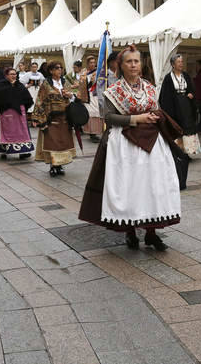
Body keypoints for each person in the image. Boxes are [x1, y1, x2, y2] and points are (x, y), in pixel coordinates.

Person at [78, 45, 185, 251]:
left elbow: (157, 108)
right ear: (121, 64)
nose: (134, 65)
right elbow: (108, 117)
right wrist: (137, 118)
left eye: (136, 61)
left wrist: (156, 115)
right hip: (125, 144)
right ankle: (130, 232)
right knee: (129, 187)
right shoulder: (113, 91)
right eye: (129, 61)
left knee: (152, 186)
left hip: (152, 143)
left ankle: (152, 232)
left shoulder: (149, 87)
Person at [33, 61, 85, 177]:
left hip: (65, 117)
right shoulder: (46, 84)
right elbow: (39, 101)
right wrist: (39, 118)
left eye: (61, 68)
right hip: (51, 118)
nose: (60, 70)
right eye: (57, 68)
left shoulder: (65, 82)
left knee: (62, 142)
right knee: (53, 142)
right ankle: (53, 165)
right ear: (51, 71)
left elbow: (76, 98)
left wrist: (70, 95)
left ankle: (60, 165)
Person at [159, 53, 201, 158]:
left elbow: (191, 89)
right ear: (173, 64)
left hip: (186, 105)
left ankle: (187, 151)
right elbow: (165, 95)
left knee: (187, 127)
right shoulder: (168, 78)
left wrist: (191, 94)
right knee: (177, 127)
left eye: (182, 62)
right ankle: (177, 151)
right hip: (174, 106)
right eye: (178, 62)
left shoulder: (186, 75)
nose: (181, 64)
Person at [0, 67, 34, 159]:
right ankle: (4, 149)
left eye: (15, 74)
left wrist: (24, 106)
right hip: (6, 113)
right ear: (6, 75)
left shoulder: (19, 85)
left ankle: (23, 151)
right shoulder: (0, 85)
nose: (14, 76)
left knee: (21, 131)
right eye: (12, 74)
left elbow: (27, 98)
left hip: (19, 113)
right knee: (6, 132)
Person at [82, 55, 103, 143]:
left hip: (96, 94)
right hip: (88, 95)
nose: (93, 64)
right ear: (87, 63)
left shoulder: (98, 72)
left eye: (94, 62)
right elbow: (82, 84)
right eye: (91, 62)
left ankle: (96, 132)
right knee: (90, 113)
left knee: (97, 112)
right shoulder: (84, 73)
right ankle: (91, 133)